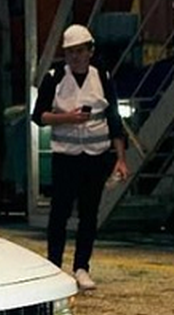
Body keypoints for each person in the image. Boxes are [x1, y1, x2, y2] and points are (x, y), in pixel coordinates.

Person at [31, 23, 129, 291]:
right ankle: (53, 265)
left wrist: (120, 157)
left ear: (90, 51)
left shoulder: (103, 77)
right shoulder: (55, 77)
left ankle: (82, 267)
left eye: (80, 51)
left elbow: (114, 119)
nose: (75, 56)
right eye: (70, 51)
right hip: (66, 157)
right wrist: (66, 118)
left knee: (89, 213)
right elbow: (38, 115)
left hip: (95, 156)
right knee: (59, 213)